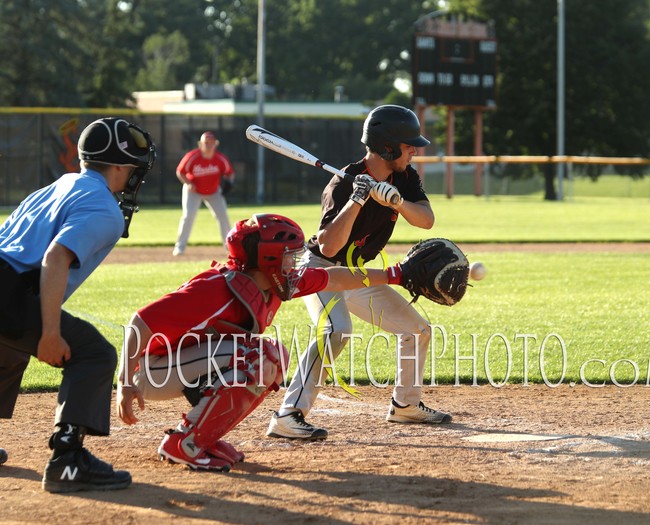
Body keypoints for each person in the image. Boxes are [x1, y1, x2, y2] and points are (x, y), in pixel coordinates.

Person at [116, 213, 412, 471]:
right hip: (149, 371)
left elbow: (333, 278)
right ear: (268, 259)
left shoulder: (271, 283)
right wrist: (125, 382)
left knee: (272, 359)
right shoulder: (217, 289)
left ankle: (201, 439)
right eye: (290, 257)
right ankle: (186, 443)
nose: (296, 265)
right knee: (259, 357)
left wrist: (394, 275)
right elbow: (140, 322)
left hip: (181, 364)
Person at [267, 104, 450, 442]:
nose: (414, 151)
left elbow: (426, 219)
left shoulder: (404, 177)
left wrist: (396, 202)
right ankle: (288, 415)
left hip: (354, 272)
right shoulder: (341, 186)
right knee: (337, 329)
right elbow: (330, 247)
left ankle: (405, 405)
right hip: (319, 269)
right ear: (387, 147)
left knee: (417, 329)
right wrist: (358, 199)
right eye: (408, 146)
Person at [0, 117, 156, 492]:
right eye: (134, 169)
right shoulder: (105, 208)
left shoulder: (57, 185)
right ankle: (67, 461)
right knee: (94, 354)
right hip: (8, 290)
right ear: (120, 167)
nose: (134, 178)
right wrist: (50, 333)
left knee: (9, 350)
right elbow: (55, 259)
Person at [173, 131, 235, 256]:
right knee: (188, 216)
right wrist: (189, 183)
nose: (209, 145)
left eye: (211, 143)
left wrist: (228, 185)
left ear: (215, 144)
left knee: (223, 217)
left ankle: (230, 248)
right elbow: (180, 172)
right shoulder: (193, 156)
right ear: (200, 144)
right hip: (193, 191)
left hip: (213, 192)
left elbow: (230, 173)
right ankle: (179, 248)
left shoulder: (220, 158)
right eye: (206, 142)